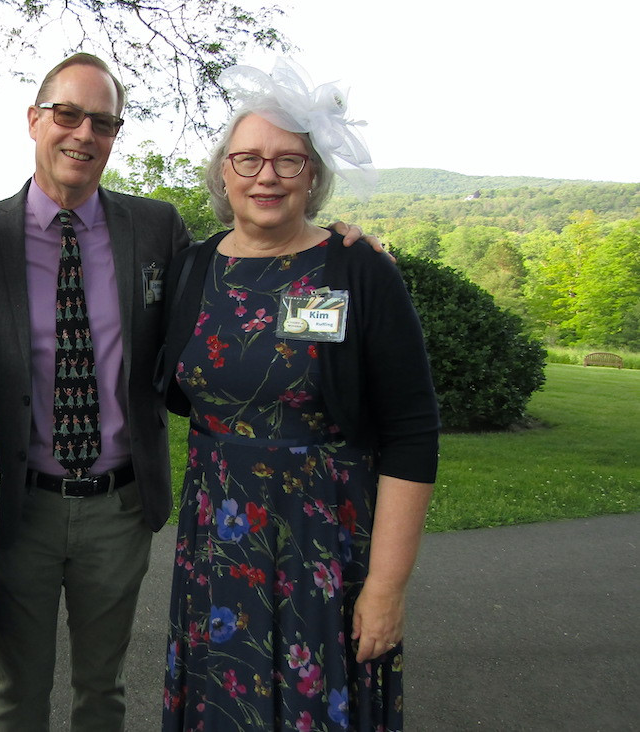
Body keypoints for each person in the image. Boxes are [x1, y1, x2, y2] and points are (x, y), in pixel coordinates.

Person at [0, 53, 375, 731]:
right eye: (67, 114)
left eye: (102, 122)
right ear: (34, 120)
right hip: (17, 509)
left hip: (119, 507)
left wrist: (330, 247)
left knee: (103, 690)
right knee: (20, 693)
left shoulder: (155, 228)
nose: (83, 134)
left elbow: (238, 268)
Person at [156, 59, 440, 731]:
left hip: (324, 546)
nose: (267, 176)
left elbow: (411, 431)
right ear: (223, 172)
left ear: (313, 175)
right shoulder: (194, 268)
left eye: (289, 160)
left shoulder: (356, 267)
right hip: (217, 543)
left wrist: (386, 586)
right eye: (248, 159)